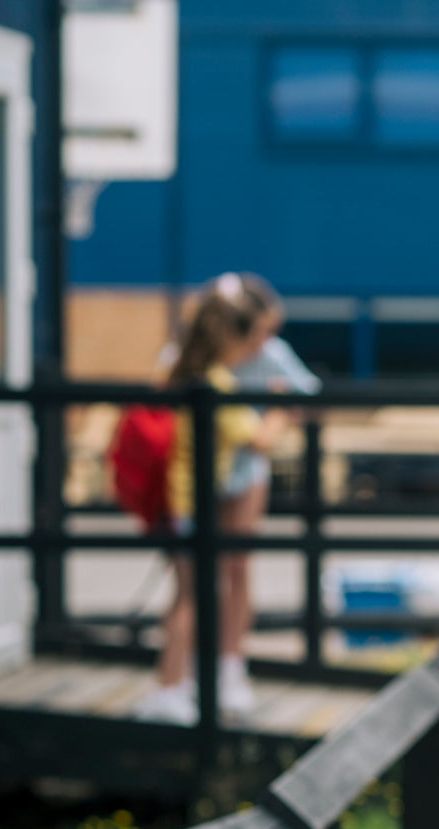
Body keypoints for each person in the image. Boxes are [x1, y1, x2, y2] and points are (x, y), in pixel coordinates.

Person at [132, 274, 289, 726]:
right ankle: (171, 689)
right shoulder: (218, 384)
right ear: (232, 337)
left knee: (186, 595)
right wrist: (277, 406)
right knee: (192, 598)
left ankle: (175, 686)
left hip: (179, 503)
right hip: (194, 507)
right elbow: (257, 439)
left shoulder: (183, 372)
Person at [223, 274, 321, 713]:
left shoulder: (272, 355)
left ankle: (230, 664)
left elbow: (310, 395)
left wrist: (281, 414)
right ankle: (189, 670)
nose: (268, 339)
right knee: (195, 578)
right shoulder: (210, 356)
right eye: (262, 329)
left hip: (245, 473)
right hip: (202, 475)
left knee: (238, 569)